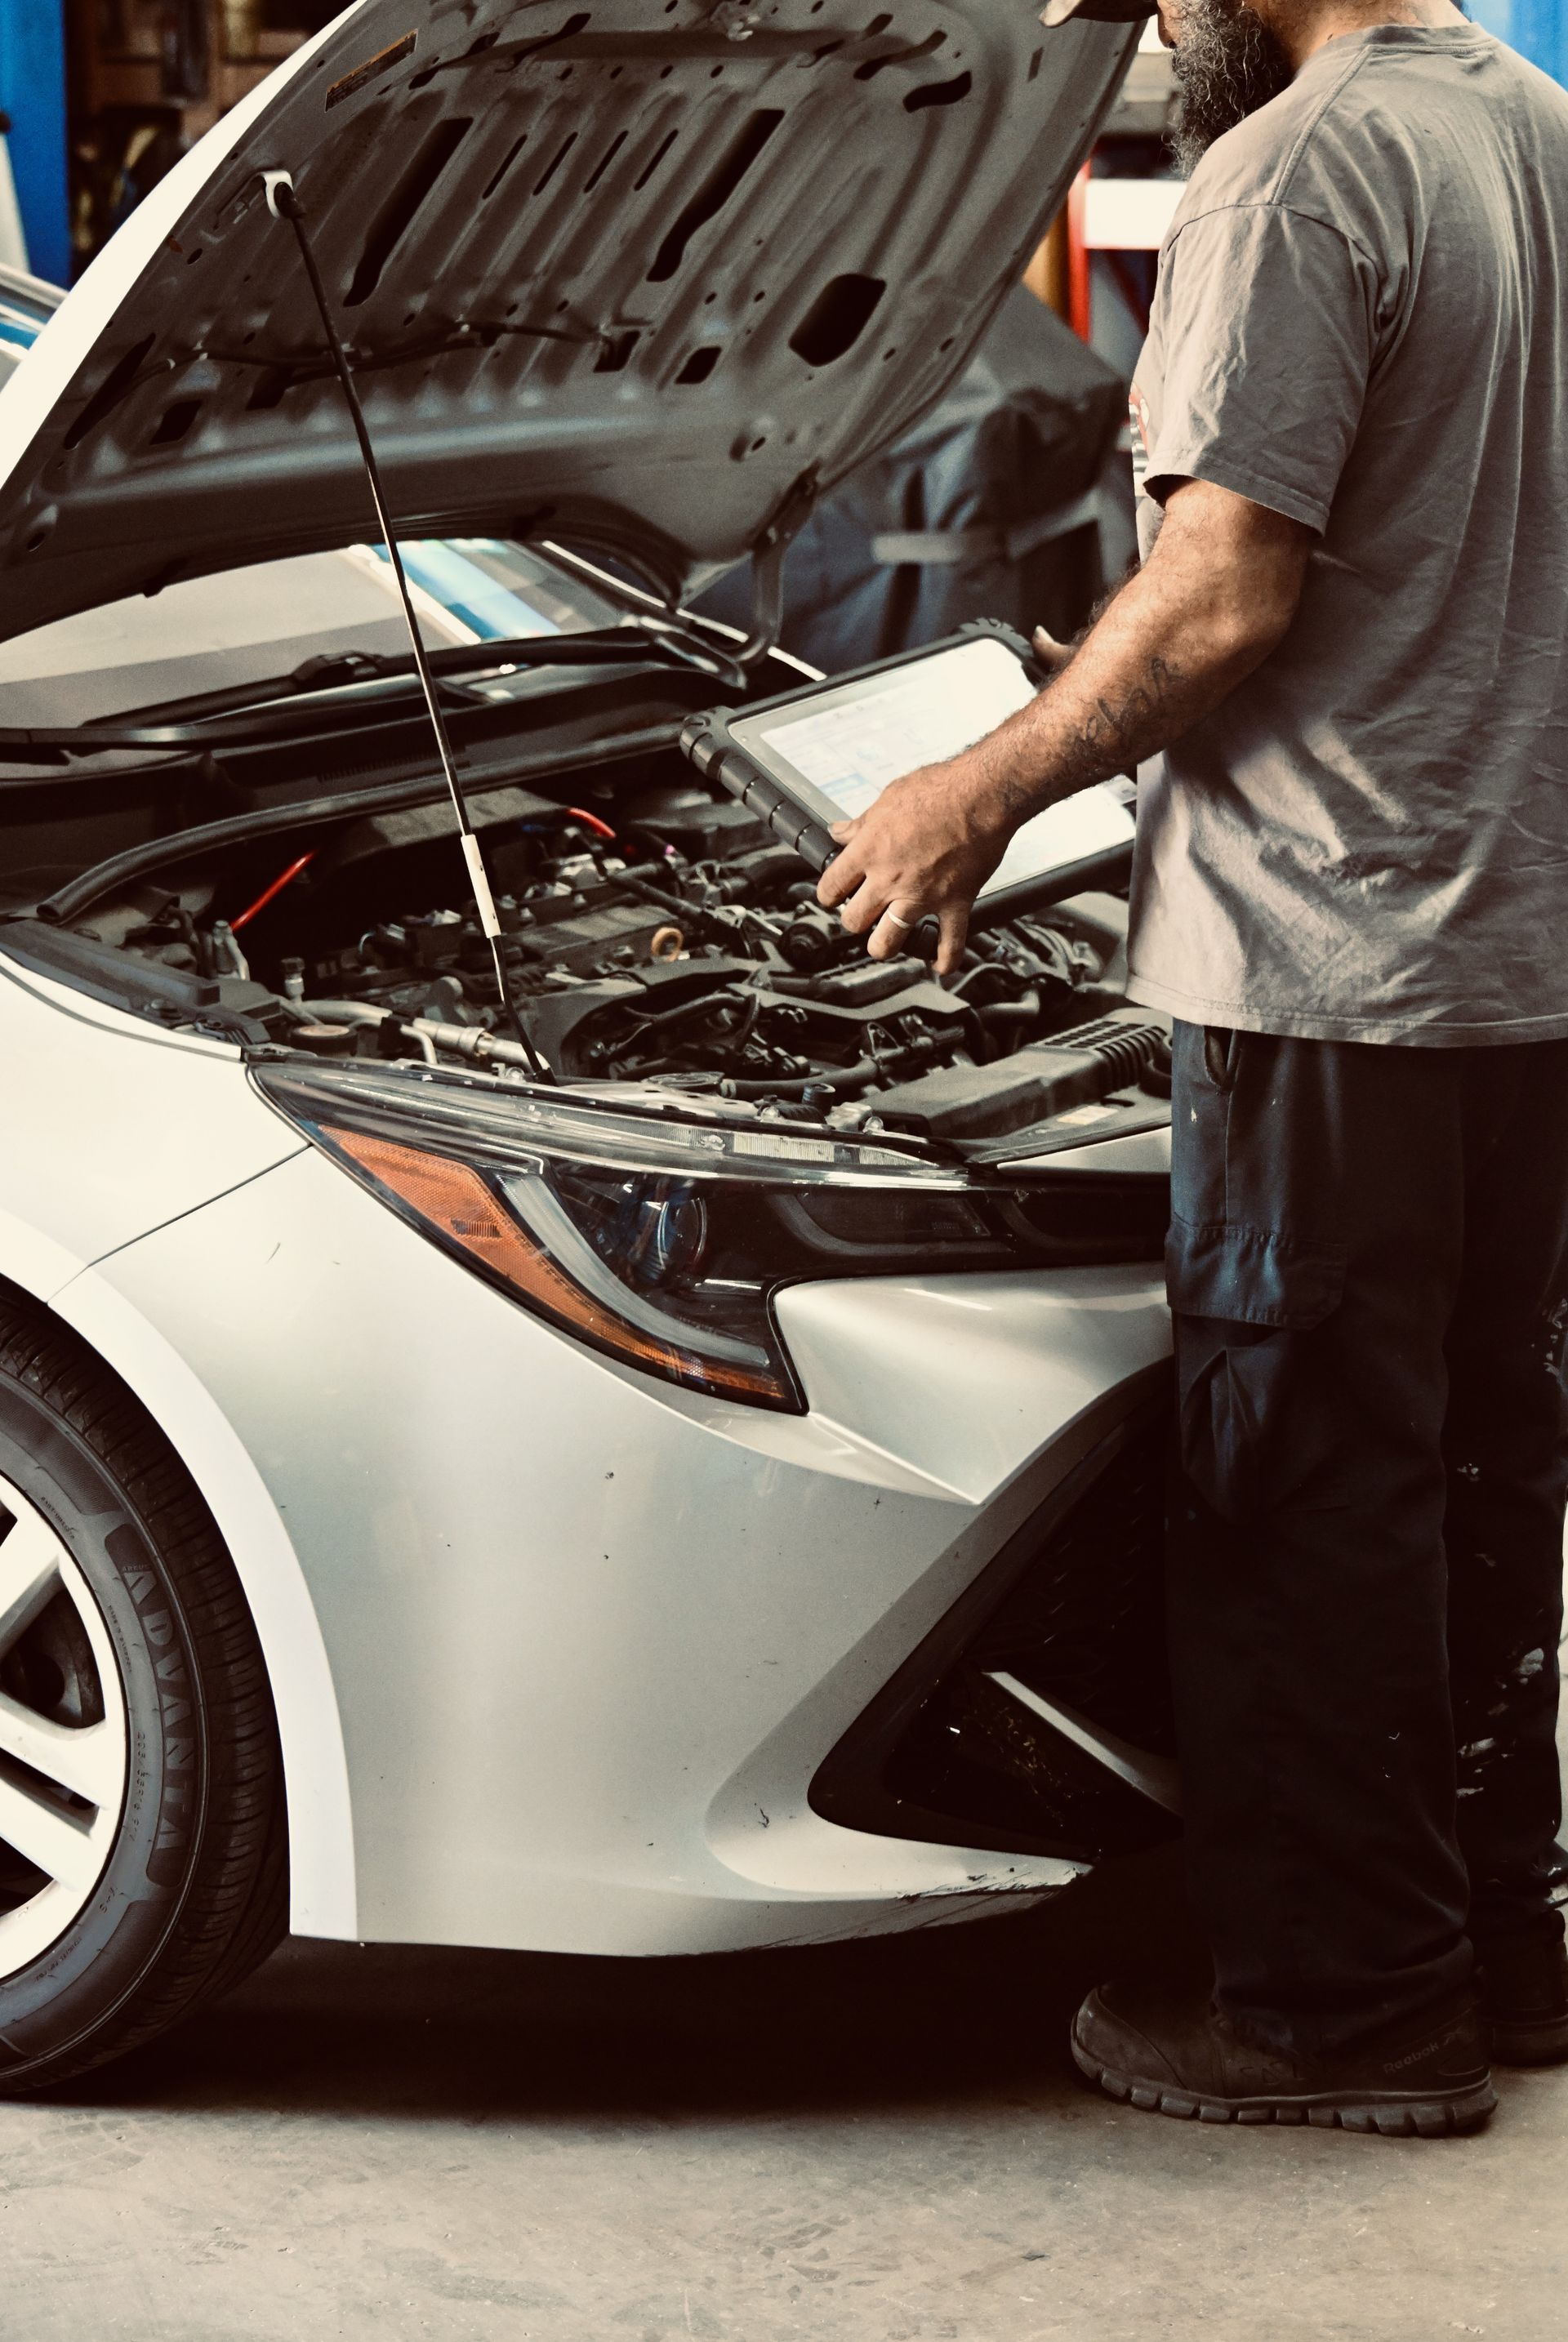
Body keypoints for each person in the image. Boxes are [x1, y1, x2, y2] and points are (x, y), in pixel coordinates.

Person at [817, 0, 1568, 2134]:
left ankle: (1341, 2008)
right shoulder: (1539, 131)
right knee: (1473, 1471)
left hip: (1329, 949)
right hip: (1516, 940)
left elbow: (1225, 583)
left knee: (1305, 1484)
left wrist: (977, 785)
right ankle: (1498, 1944)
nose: (1156, 31)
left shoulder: (1290, 171)